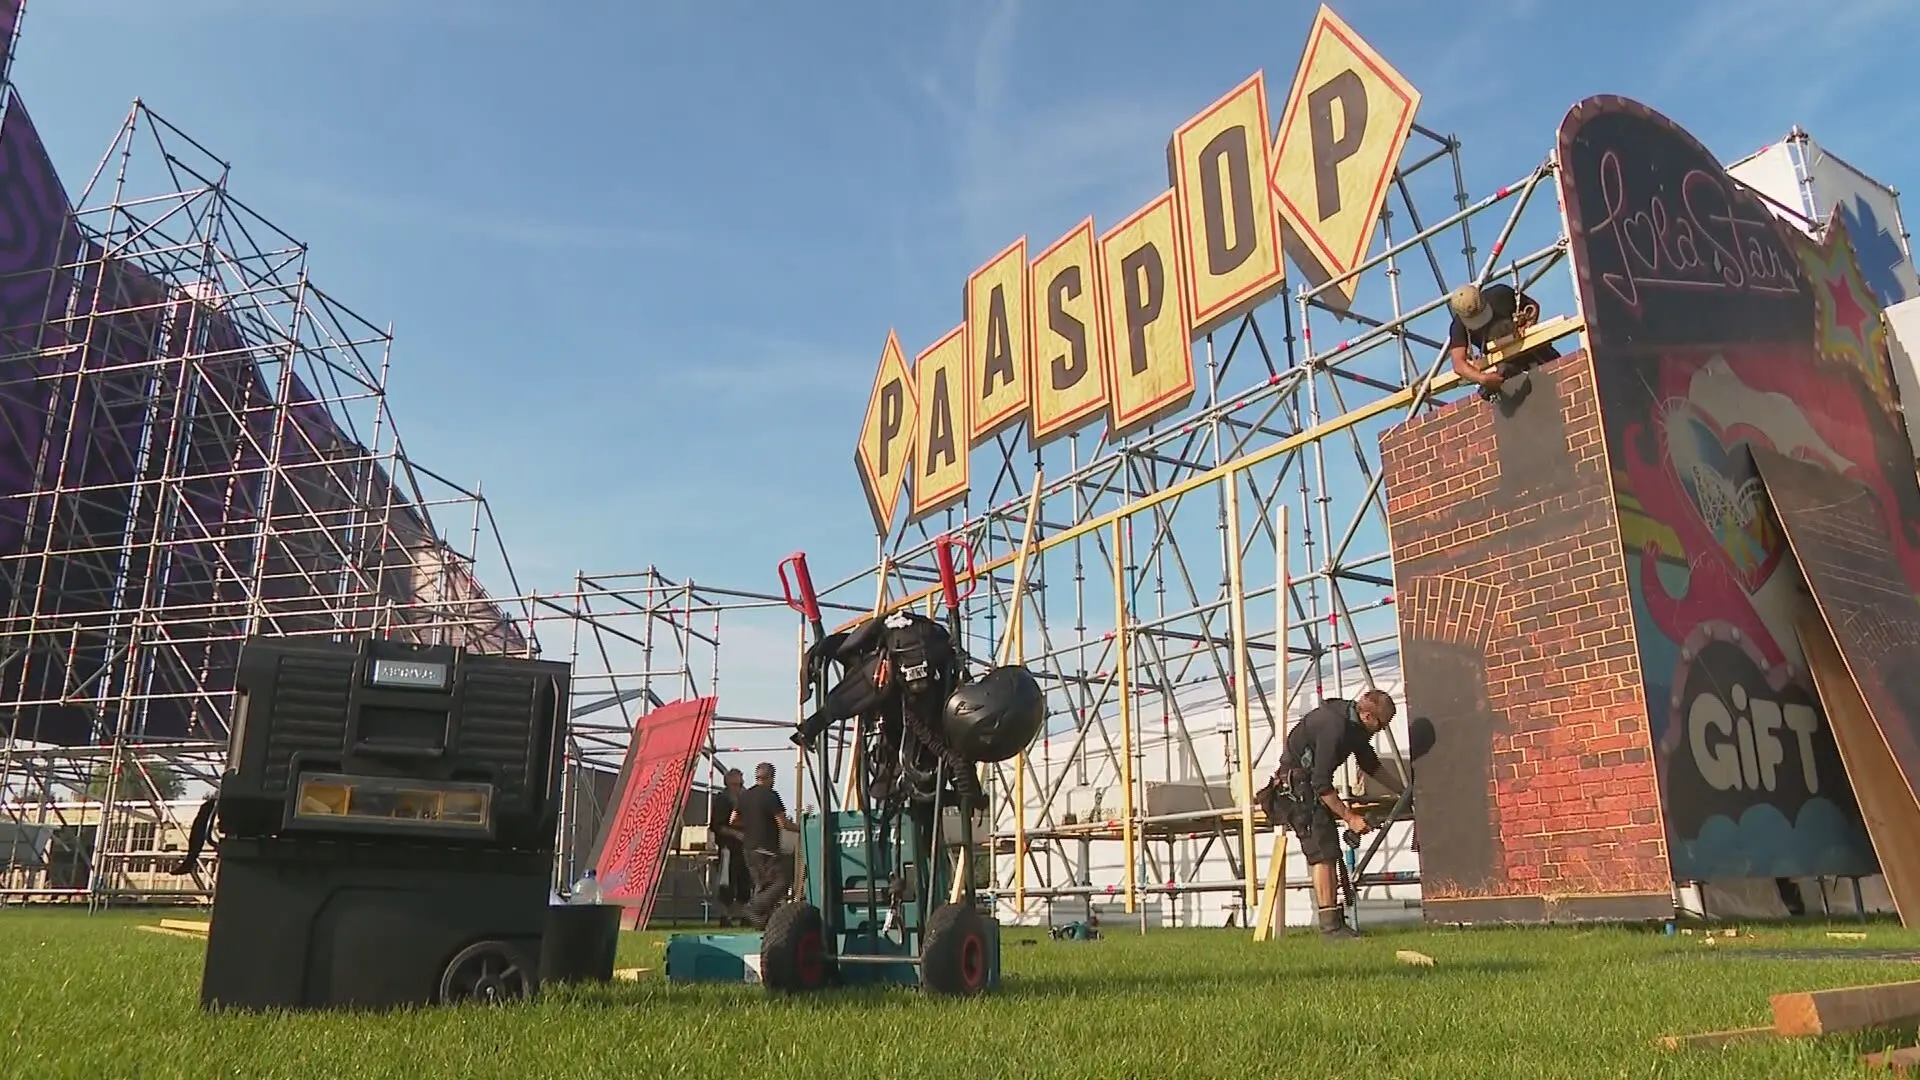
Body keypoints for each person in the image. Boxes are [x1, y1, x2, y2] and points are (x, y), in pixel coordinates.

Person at [1260, 689, 1405, 939]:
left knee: (1329, 849)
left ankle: (1335, 923)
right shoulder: (1335, 727)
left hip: (1307, 787)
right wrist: (1350, 818)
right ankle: (1330, 927)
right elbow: (1321, 782)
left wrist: (1404, 791)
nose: (1381, 730)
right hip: (1296, 790)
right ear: (1368, 716)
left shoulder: (1354, 726)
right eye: (1381, 724)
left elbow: (1370, 764)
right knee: (1323, 853)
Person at [1446, 282, 1559, 404]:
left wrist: (1528, 324)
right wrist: (1483, 379)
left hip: (1530, 348)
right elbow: (1458, 364)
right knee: (1503, 385)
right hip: (1505, 362)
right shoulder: (1458, 326)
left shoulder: (1500, 294)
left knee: (1555, 370)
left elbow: (1532, 307)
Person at [731, 761, 800, 929]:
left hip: (748, 848)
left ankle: (760, 922)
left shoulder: (744, 795)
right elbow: (783, 823)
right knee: (782, 881)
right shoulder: (771, 795)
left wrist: (751, 824)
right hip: (766, 848)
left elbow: (733, 820)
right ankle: (752, 908)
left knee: (762, 884)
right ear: (770, 777)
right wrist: (803, 828)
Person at [707, 768, 751, 927]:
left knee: (745, 882)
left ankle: (744, 915)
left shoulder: (745, 799)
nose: (739, 787)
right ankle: (725, 916)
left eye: (741, 784)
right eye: (736, 784)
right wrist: (735, 833)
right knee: (727, 882)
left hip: (744, 847)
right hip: (728, 848)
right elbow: (717, 825)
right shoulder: (723, 800)